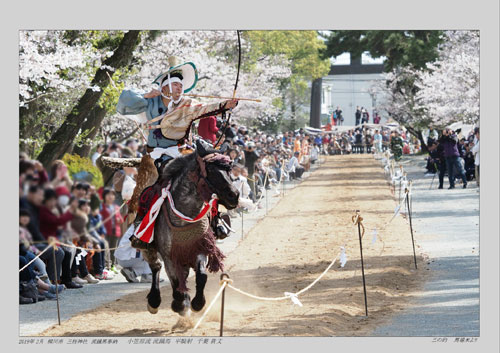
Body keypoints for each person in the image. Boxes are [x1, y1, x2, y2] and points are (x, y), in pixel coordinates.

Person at [116, 56, 238, 249]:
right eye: (174, 85)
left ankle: (216, 220)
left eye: (180, 86)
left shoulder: (187, 105)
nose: (179, 89)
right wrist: (145, 94)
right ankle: (143, 226)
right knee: (152, 186)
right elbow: (124, 99)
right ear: (163, 88)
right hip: (157, 153)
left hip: (182, 150)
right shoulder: (151, 102)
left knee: (207, 173)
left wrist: (225, 105)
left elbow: (205, 108)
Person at [100, 188, 124, 271]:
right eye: (108, 195)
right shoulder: (102, 207)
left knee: (113, 249)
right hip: (105, 231)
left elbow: (121, 219)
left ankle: (113, 265)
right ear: (104, 196)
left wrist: (119, 220)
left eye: (112, 195)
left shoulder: (116, 207)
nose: (110, 197)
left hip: (115, 231)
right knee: (106, 249)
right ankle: (107, 266)